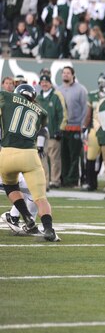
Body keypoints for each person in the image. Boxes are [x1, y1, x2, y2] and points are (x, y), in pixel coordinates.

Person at [0, 84, 61, 241]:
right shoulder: (42, 112)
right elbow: (40, 128)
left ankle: (26, 217)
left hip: (7, 153)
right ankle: (48, 229)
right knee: (40, 197)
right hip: (29, 154)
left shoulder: (7, 97)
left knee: (10, 186)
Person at [57, 66, 88, 188]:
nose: (65, 75)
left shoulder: (81, 90)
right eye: (63, 73)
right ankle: (64, 179)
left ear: (73, 75)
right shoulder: (58, 90)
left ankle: (73, 180)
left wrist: (82, 126)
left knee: (75, 156)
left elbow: (85, 110)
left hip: (75, 127)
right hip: (63, 128)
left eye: (68, 73)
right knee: (63, 156)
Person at [37, 73, 67, 190]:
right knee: (41, 157)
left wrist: (60, 129)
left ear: (50, 84)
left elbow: (62, 114)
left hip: (53, 132)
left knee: (54, 158)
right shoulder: (38, 98)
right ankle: (44, 181)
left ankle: (55, 180)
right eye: (42, 82)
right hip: (41, 134)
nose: (44, 84)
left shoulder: (56, 96)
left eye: (46, 82)